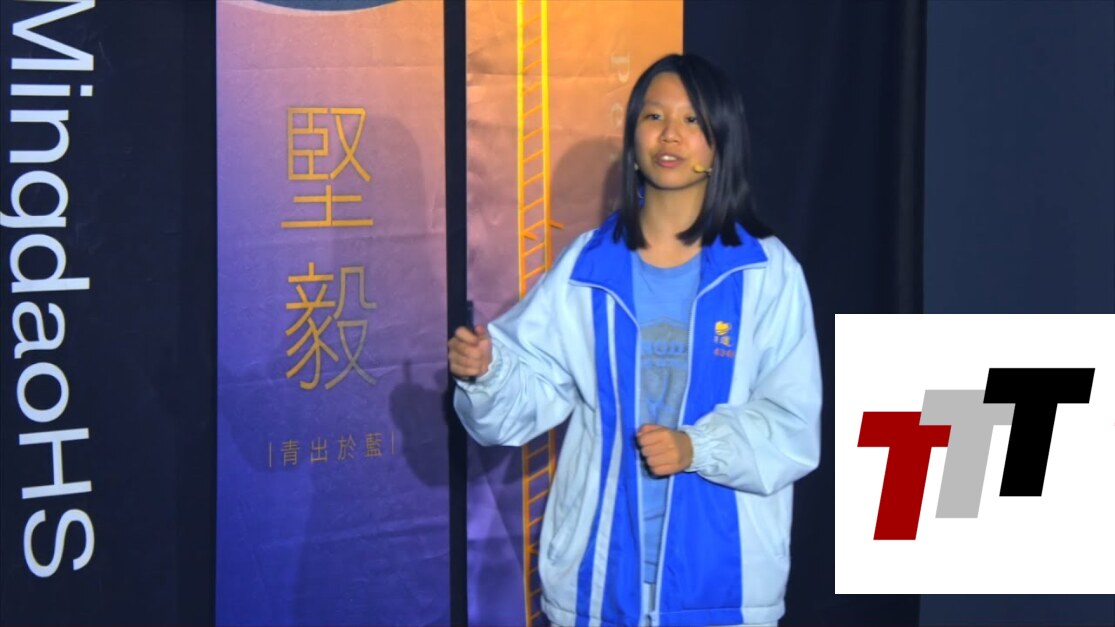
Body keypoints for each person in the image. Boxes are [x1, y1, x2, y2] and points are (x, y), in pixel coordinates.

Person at [448, 53, 821, 627]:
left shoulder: (766, 272)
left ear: (721, 140)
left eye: (692, 120)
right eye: (654, 116)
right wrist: (488, 372)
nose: (670, 134)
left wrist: (696, 448)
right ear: (633, 135)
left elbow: (793, 426)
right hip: (598, 587)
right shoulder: (588, 268)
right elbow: (525, 401)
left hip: (721, 589)